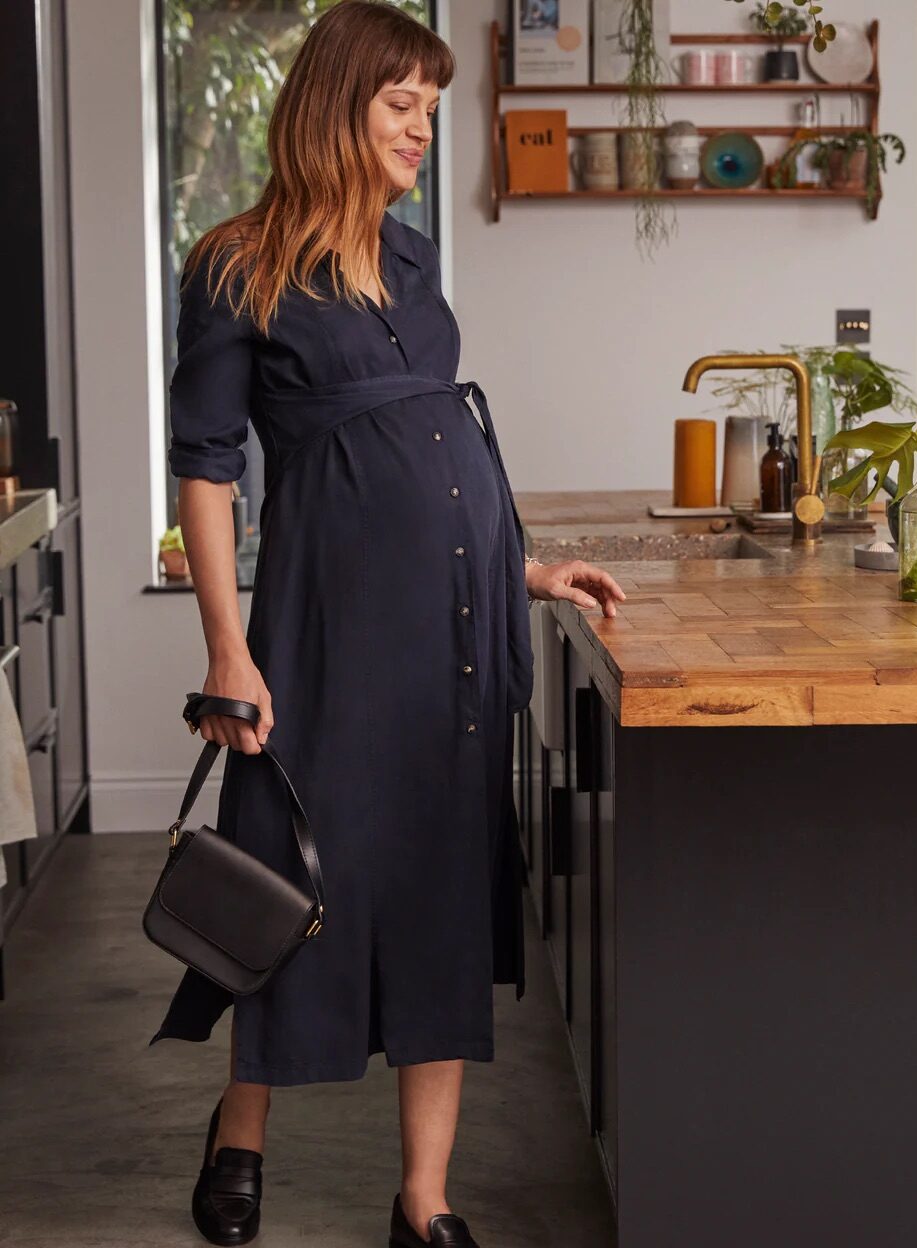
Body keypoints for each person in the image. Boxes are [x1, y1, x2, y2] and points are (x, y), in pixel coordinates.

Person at [148, 3, 627, 1245]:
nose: (422, 126)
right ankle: (238, 1130)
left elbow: (435, 446)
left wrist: (529, 568)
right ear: (335, 103)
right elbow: (204, 470)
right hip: (318, 634)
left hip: (453, 639)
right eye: (399, 102)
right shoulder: (234, 264)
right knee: (288, 883)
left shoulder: (413, 264)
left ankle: (424, 1199)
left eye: (430, 104)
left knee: (435, 894)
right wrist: (225, 646)